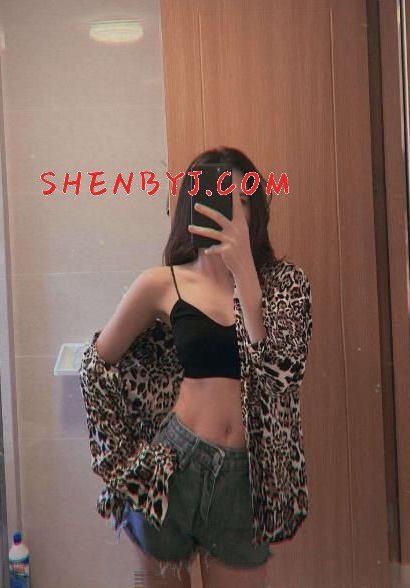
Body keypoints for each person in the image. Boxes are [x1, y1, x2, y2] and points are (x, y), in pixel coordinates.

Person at [79, 147, 313, 587]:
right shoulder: (161, 283)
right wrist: (124, 460)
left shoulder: (286, 285)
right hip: (172, 468)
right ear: (195, 204)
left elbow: (284, 373)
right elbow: (95, 365)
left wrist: (246, 276)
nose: (231, 211)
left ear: (255, 209)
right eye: (220, 197)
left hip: (247, 478)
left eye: (241, 199)